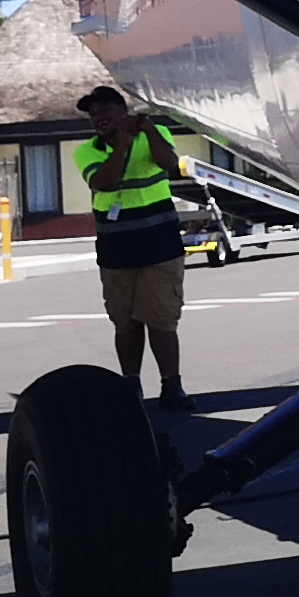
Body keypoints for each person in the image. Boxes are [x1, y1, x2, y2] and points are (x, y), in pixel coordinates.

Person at [75, 84, 193, 413]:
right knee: (125, 322)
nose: (98, 118)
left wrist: (149, 130)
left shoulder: (155, 134)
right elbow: (103, 182)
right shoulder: (86, 151)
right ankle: (131, 386)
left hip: (161, 245)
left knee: (162, 319)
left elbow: (168, 162)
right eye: (93, 114)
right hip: (117, 249)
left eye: (105, 111)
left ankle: (172, 385)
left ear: (123, 111)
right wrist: (122, 147)